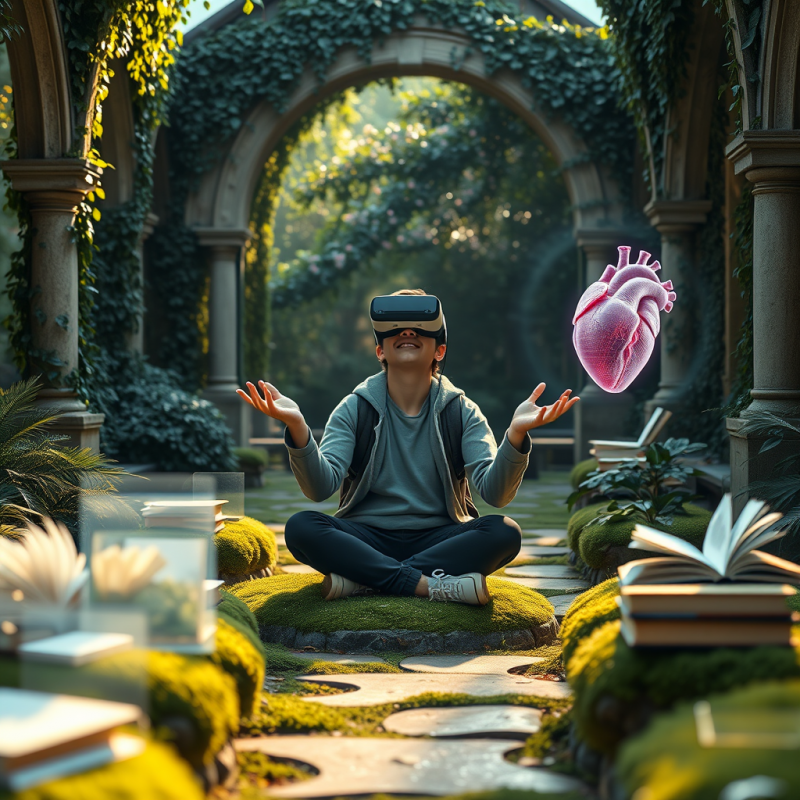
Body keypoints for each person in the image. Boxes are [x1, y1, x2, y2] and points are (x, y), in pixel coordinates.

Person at [236, 289, 579, 606]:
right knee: (301, 527)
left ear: (440, 350)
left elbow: (495, 494)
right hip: (365, 536)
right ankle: (425, 585)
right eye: (395, 332)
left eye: (420, 331)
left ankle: (363, 579)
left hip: (441, 537)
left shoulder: (461, 411)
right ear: (380, 350)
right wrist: (297, 427)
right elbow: (320, 488)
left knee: (504, 532)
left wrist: (517, 434)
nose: (408, 333)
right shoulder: (355, 407)